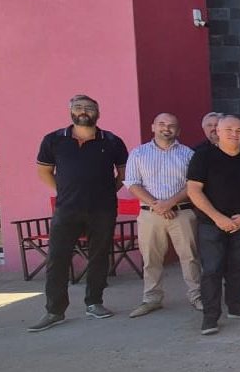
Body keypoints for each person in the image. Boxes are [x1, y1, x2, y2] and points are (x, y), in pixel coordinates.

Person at [28, 95, 129, 332]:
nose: (84, 111)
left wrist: (105, 192)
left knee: (100, 256)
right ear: (71, 111)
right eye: (79, 107)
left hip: (102, 209)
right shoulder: (53, 140)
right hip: (67, 208)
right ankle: (54, 310)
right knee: (57, 258)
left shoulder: (112, 141)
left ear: (98, 112)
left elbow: (123, 174)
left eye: (90, 108)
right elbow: (44, 171)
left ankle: (94, 302)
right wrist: (62, 191)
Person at [186, 115, 240, 335]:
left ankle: (235, 306)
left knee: (238, 266)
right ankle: (210, 317)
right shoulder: (203, 157)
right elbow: (194, 190)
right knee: (212, 269)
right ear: (217, 132)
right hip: (211, 224)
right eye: (229, 129)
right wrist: (217, 217)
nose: (235, 134)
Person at [124, 112, 203, 318]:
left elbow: (193, 185)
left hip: (182, 212)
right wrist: (157, 205)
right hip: (150, 214)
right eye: (162, 124)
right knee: (151, 258)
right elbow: (132, 183)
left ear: (178, 130)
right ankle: (152, 298)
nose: (166, 128)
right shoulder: (138, 154)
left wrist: (170, 203)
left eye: (172, 125)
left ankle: (197, 296)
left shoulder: (188, 154)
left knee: (190, 257)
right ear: (153, 127)